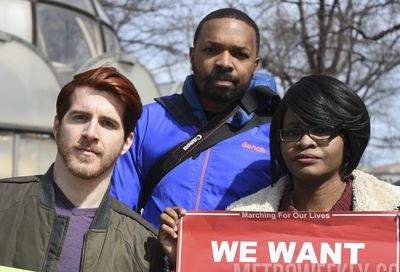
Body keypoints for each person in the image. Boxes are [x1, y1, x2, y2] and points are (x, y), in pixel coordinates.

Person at [158, 75, 400, 267]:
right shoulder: (239, 219)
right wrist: (187, 257)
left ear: (349, 138)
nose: (305, 142)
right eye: (293, 131)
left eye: (321, 128)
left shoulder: (393, 213)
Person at [111, 8, 277, 228]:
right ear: (192, 56)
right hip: (149, 261)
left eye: (239, 54)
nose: (224, 62)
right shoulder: (146, 121)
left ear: (254, 65)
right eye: (211, 49)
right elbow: (116, 216)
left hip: (240, 262)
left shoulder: (277, 132)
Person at [0, 67, 164, 272]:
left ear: (127, 142)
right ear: (57, 126)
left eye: (107, 123)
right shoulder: (4, 204)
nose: (91, 133)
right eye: (80, 117)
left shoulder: (145, 250)